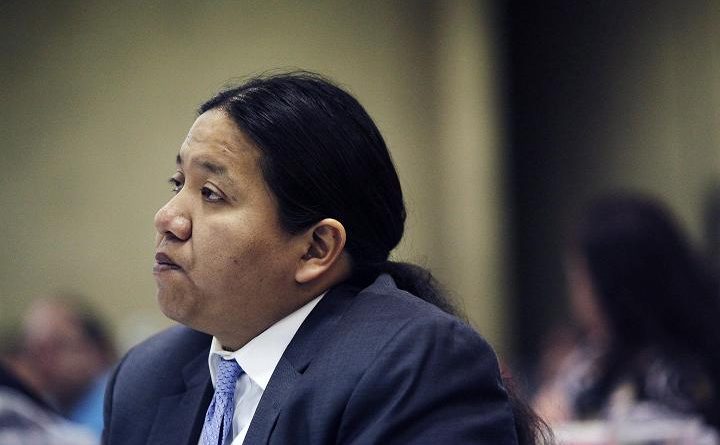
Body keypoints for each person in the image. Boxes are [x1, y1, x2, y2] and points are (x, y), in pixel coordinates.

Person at [102, 71, 525, 444]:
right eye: (178, 183)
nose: (167, 217)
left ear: (316, 249)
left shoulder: (413, 365)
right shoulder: (146, 377)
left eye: (212, 194)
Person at [533, 193, 720, 441]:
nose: (575, 297)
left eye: (581, 281)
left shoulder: (676, 377)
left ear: (613, 288)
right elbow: (546, 413)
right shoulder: (594, 359)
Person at [22, 296, 116, 437]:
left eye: (57, 347)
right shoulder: (35, 410)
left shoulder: (118, 406)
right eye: (35, 351)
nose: (44, 362)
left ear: (97, 351)